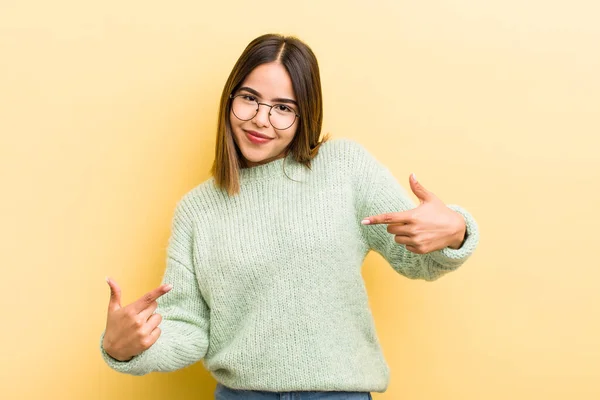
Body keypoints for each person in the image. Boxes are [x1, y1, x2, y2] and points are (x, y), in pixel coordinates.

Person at [99, 33, 480, 400]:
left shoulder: (344, 169)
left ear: (305, 114)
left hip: (337, 397)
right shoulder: (197, 210)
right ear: (229, 99)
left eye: (283, 107)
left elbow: (416, 260)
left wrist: (456, 231)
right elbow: (188, 325)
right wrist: (126, 349)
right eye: (249, 99)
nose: (261, 120)